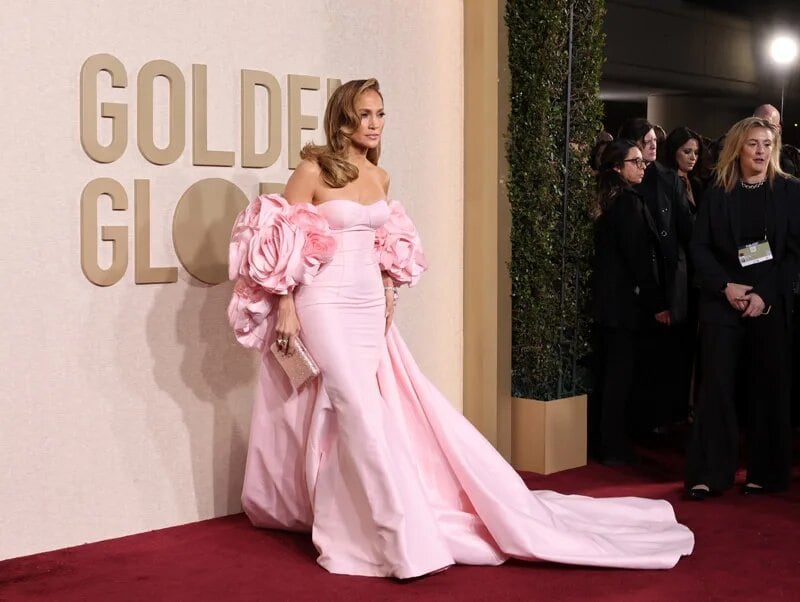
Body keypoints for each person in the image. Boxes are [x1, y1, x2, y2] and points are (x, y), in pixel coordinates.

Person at [228, 79, 694, 578]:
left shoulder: (379, 176)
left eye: (380, 114)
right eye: (364, 114)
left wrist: (388, 288)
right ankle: (396, 535)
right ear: (341, 117)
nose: (374, 124)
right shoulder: (313, 169)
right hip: (321, 303)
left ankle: (353, 517)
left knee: (364, 415)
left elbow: (382, 241)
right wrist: (284, 305)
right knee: (358, 410)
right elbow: (282, 239)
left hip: (368, 307)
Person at [686, 116, 800, 500]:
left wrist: (763, 294)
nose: (761, 151)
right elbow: (699, 247)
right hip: (722, 301)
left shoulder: (789, 191)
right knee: (716, 388)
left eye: (767, 144)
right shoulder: (717, 193)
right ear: (738, 148)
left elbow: (793, 255)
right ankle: (709, 475)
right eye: (753, 143)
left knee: (768, 388)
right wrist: (725, 287)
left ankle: (765, 474)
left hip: (769, 302)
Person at [590, 139, 670, 464]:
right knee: (618, 378)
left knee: (608, 375)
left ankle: (604, 443)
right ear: (617, 168)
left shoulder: (606, 201)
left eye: (643, 161)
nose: (642, 166)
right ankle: (613, 447)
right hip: (622, 304)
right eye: (635, 161)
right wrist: (657, 302)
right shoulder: (627, 203)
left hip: (605, 303)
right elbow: (639, 259)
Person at [617, 118, 694, 435]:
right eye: (645, 140)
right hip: (631, 281)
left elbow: (684, 229)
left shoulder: (667, 179)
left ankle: (657, 419)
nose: (651, 145)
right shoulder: (623, 183)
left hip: (663, 277)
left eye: (654, 141)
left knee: (662, 355)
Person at [753, 104, 798, 177]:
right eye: (756, 124)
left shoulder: (793, 156)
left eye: (767, 124)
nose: (760, 128)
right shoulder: (740, 153)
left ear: (778, 129)